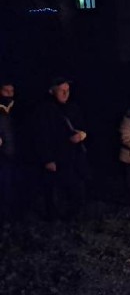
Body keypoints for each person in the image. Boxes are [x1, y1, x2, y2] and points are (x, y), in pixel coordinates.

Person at [34, 77, 90, 221]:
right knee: (54, 189)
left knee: (76, 187)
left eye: (67, 90)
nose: (65, 93)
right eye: (61, 90)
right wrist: (47, 159)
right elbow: (41, 136)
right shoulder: (44, 110)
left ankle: (74, 215)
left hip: (74, 156)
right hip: (56, 156)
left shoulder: (73, 107)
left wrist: (82, 135)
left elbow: (83, 126)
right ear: (52, 91)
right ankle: (54, 217)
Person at [0, 80, 17, 223]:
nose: (9, 94)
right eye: (6, 91)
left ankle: (11, 216)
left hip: (13, 153)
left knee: (11, 185)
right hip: (2, 154)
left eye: (11, 91)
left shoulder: (15, 109)